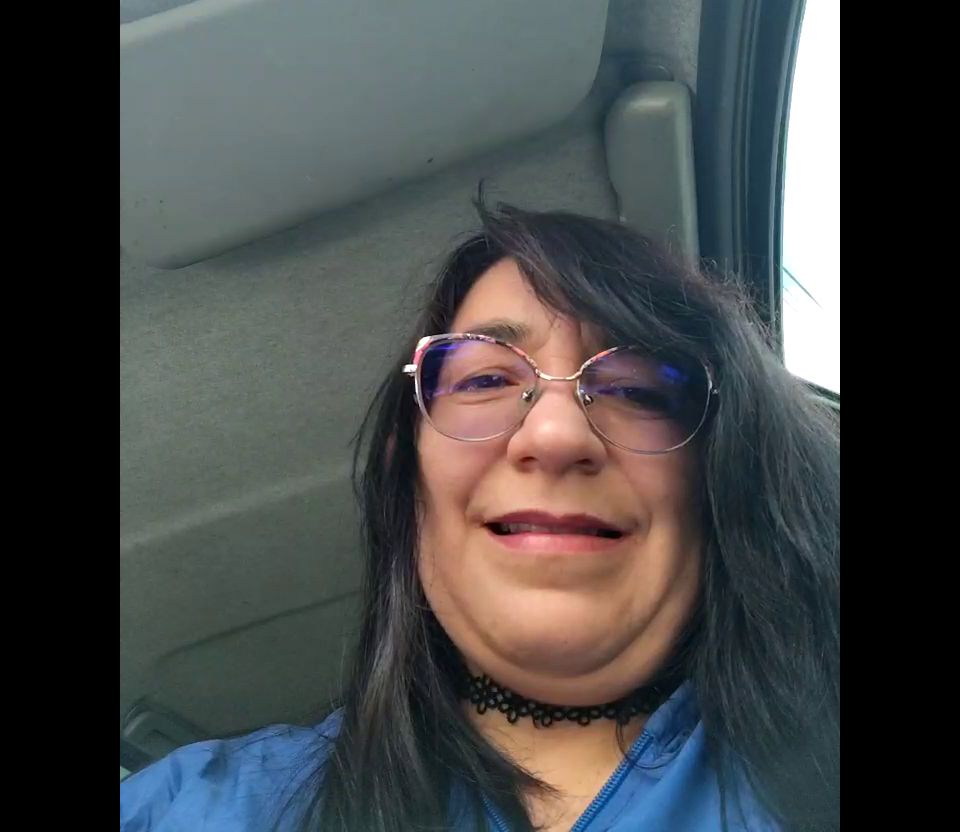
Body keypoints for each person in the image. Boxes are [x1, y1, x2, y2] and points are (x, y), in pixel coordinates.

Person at [120, 202, 840, 832]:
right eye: (487, 378)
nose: (554, 433)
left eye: (638, 390)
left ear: (719, 480)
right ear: (409, 479)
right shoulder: (190, 810)